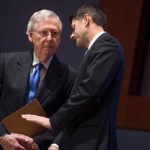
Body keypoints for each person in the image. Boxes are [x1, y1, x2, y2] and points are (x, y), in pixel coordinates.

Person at [22, 3, 125, 150]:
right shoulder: (99, 48)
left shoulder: (107, 46)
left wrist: (52, 121)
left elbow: (88, 93)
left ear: (86, 20)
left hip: (93, 140)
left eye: (74, 27)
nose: (71, 35)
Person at [0, 9, 76, 150]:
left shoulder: (69, 76)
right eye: (43, 33)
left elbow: (66, 119)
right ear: (30, 35)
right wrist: (2, 137)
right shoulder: (5, 62)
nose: (49, 38)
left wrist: (36, 144)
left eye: (55, 33)